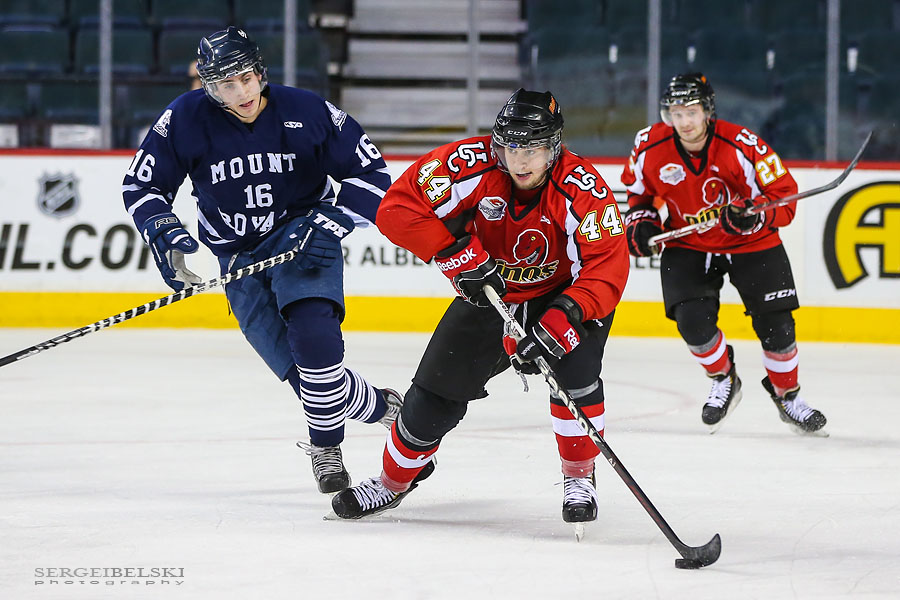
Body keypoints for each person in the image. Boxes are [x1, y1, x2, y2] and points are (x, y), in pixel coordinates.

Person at [328, 89, 630, 527]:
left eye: (533, 149)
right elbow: (397, 207)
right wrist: (452, 252)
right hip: (490, 295)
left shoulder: (583, 188)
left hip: (564, 297)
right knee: (431, 396)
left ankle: (579, 478)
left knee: (576, 380)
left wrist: (566, 315)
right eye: (511, 147)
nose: (520, 161)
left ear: (554, 146)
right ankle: (392, 483)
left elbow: (607, 266)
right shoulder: (469, 163)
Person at [122, 26, 401, 493]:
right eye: (225, 85)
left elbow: (372, 174)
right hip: (236, 256)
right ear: (208, 87)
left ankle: (326, 448)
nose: (241, 92)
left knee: (315, 344)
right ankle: (381, 406)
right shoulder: (184, 119)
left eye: (246, 78)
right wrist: (163, 232)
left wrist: (332, 220)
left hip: (301, 237)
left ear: (260, 73)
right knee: (303, 375)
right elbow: (142, 186)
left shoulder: (307, 109)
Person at [620, 72, 827, 435]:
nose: (684, 122)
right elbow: (639, 194)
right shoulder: (649, 145)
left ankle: (788, 397)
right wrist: (641, 221)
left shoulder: (743, 145)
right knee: (693, 325)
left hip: (752, 243)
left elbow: (786, 198)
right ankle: (723, 378)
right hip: (689, 243)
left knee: (778, 328)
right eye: (676, 113)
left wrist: (752, 214)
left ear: (708, 111)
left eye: (692, 112)